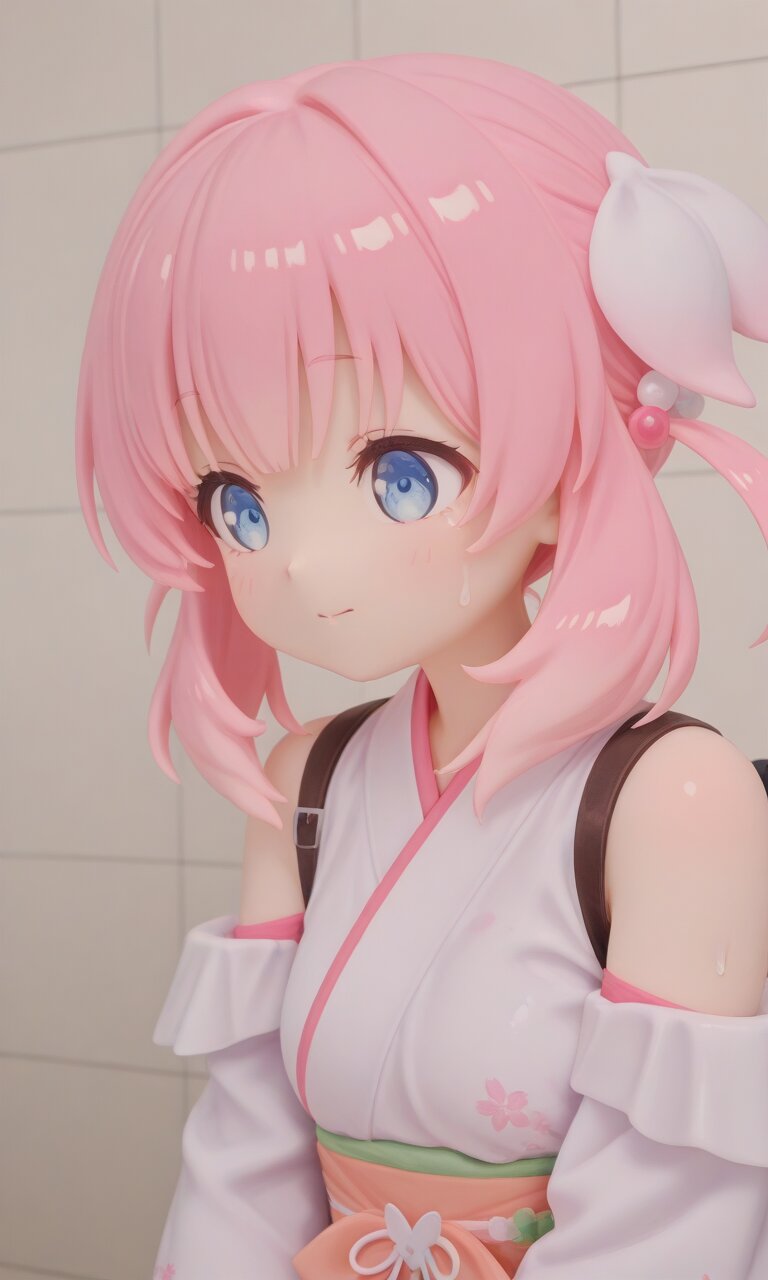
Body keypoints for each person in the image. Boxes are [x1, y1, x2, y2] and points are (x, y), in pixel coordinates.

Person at [75, 53, 768, 1279]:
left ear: (571, 462)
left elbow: (674, 1220)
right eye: (237, 500)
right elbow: (242, 1166)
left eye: (398, 472)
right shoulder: (305, 782)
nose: (295, 561)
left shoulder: (675, 798)